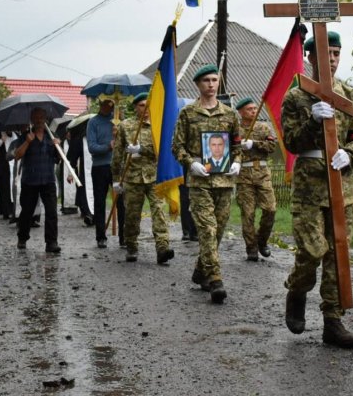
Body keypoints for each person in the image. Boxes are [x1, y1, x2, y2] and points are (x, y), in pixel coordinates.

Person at [281, 31, 353, 349]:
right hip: (309, 185)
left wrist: (351, 155)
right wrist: (312, 122)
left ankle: (333, 320)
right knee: (312, 250)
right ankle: (297, 290)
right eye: (324, 52)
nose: (331, 59)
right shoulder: (296, 96)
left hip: (342, 182)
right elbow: (290, 142)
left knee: (337, 255)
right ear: (310, 56)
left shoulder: (352, 97)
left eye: (335, 53)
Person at [172, 64, 242, 304]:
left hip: (224, 181)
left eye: (214, 80)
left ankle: (201, 270)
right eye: (206, 81)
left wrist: (238, 162)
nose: (211, 85)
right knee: (207, 230)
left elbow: (237, 146)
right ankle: (215, 279)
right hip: (199, 181)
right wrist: (190, 162)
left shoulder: (231, 114)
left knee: (219, 231)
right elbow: (177, 146)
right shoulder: (188, 113)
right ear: (198, 85)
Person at [111, 92, 174, 264]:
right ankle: (131, 246)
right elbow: (117, 154)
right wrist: (116, 179)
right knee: (132, 215)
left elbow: (163, 150)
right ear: (135, 107)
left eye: (148, 105)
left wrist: (142, 149)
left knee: (159, 212)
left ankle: (162, 247)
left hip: (154, 176)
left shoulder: (158, 126)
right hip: (132, 178)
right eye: (141, 105)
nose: (145, 109)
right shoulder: (126, 126)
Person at [235, 97, 277, 261]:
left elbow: (272, 146)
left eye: (254, 108)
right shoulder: (235, 130)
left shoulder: (264, 128)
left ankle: (262, 240)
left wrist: (254, 143)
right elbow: (229, 149)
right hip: (244, 176)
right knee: (248, 214)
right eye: (249, 109)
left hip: (263, 175)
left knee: (270, 209)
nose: (253, 111)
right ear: (240, 112)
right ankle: (251, 247)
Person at [14, 107, 61, 253]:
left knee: (52, 212)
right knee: (27, 212)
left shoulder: (51, 136)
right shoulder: (25, 136)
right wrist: (27, 142)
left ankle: (51, 242)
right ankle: (22, 238)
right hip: (30, 181)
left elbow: (58, 159)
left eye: (42, 117)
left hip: (48, 180)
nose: (39, 120)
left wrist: (58, 147)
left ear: (46, 119)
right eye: (36, 117)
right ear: (32, 120)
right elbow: (17, 155)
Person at [86, 98, 125, 249]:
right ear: (100, 105)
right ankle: (100, 236)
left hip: (117, 167)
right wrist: (108, 146)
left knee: (121, 201)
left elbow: (125, 144)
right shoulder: (93, 123)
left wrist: (119, 133)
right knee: (100, 201)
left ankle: (124, 237)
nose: (107, 106)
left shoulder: (118, 122)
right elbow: (92, 147)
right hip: (100, 167)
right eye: (105, 104)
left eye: (110, 104)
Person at [0, 131, 17, 220]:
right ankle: (5, 211)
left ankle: (13, 210)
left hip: (14, 166)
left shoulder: (16, 136)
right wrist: (1, 140)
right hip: (3, 167)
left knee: (13, 188)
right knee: (4, 189)